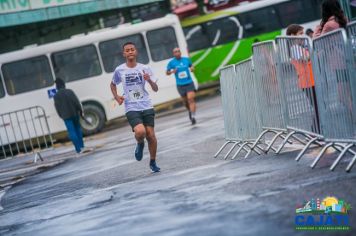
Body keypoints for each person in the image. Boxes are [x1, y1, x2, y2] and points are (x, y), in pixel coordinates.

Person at [110, 42, 160, 173]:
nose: (130, 52)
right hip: (131, 107)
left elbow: (155, 89)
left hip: (146, 105)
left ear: (136, 52)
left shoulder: (145, 68)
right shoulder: (119, 70)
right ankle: (140, 143)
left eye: (132, 49)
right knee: (140, 132)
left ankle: (153, 162)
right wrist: (117, 97)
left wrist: (149, 80)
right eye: (127, 50)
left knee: (151, 136)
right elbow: (113, 84)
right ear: (124, 54)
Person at [286, 24, 320, 134]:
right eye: (300, 34)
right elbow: (304, 59)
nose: (302, 36)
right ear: (292, 35)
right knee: (318, 108)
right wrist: (313, 50)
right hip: (307, 82)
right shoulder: (294, 48)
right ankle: (314, 133)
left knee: (318, 108)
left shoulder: (299, 47)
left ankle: (316, 132)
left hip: (310, 81)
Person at [53, 78, 87, 154]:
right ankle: (82, 146)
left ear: (57, 87)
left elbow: (57, 107)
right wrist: (81, 111)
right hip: (74, 114)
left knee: (72, 132)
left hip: (66, 117)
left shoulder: (56, 96)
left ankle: (78, 149)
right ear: (64, 85)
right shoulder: (70, 91)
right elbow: (77, 102)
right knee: (78, 129)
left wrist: (61, 116)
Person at [166, 47, 197, 125]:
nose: (177, 53)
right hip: (180, 85)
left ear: (180, 52)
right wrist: (173, 71)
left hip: (189, 82)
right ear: (173, 54)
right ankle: (190, 110)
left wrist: (192, 68)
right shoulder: (171, 63)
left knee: (191, 99)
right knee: (185, 102)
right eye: (175, 52)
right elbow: (167, 72)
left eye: (178, 51)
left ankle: (193, 117)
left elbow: (192, 66)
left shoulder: (186, 60)